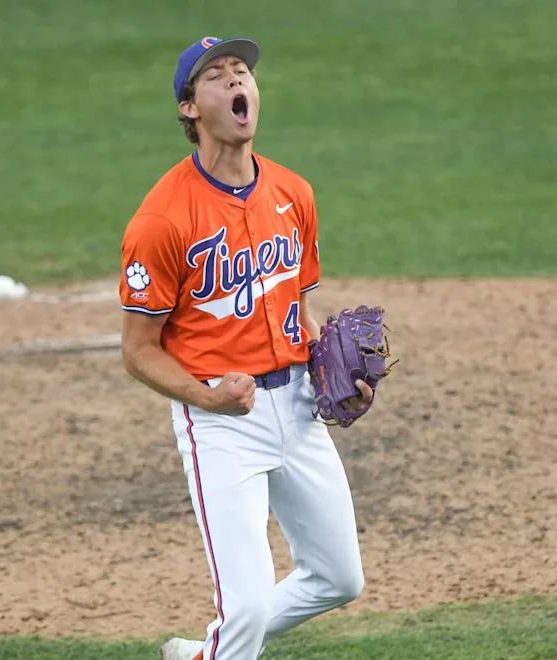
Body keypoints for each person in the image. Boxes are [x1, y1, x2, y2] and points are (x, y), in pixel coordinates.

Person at [119, 36, 374, 660]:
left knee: (340, 578)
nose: (238, 81)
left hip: (300, 408)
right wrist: (204, 395)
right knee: (250, 603)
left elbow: (301, 312)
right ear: (189, 108)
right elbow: (138, 349)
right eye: (218, 75)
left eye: (243, 72)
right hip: (220, 425)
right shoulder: (162, 220)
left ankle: (203, 653)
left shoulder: (294, 194)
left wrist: (332, 367)